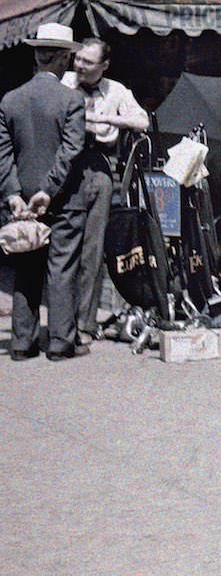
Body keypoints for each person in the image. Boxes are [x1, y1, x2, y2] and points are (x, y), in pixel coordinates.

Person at [0, 22, 88, 361]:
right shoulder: (72, 100)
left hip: (20, 197)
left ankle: (23, 343)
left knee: (26, 267)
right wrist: (49, 190)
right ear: (63, 59)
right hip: (64, 198)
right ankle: (60, 343)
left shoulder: (10, 100)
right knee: (62, 268)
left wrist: (13, 194)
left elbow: (3, 153)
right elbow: (71, 150)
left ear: (37, 56)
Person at [62, 37, 149, 344]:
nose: (80, 66)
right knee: (63, 251)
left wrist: (109, 118)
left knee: (93, 250)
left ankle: (85, 324)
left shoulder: (116, 91)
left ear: (104, 66)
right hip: (65, 172)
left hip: (100, 169)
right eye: (78, 59)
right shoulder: (64, 82)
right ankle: (63, 323)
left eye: (88, 62)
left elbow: (142, 121)